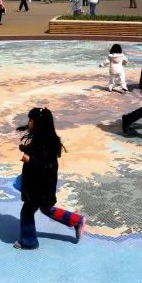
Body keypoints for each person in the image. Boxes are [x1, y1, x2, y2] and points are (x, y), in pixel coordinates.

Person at [13, 107, 86, 250]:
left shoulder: (47, 142)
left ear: (39, 123)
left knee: (27, 211)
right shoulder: (42, 138)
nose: (28, 123)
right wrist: (26, 150)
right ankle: (77, 220)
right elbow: (40, 155)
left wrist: (30, 160)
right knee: (46, 209)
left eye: (31, 120)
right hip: (40, 185)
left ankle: (29, 242)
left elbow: (47, 165)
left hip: (40, 186)